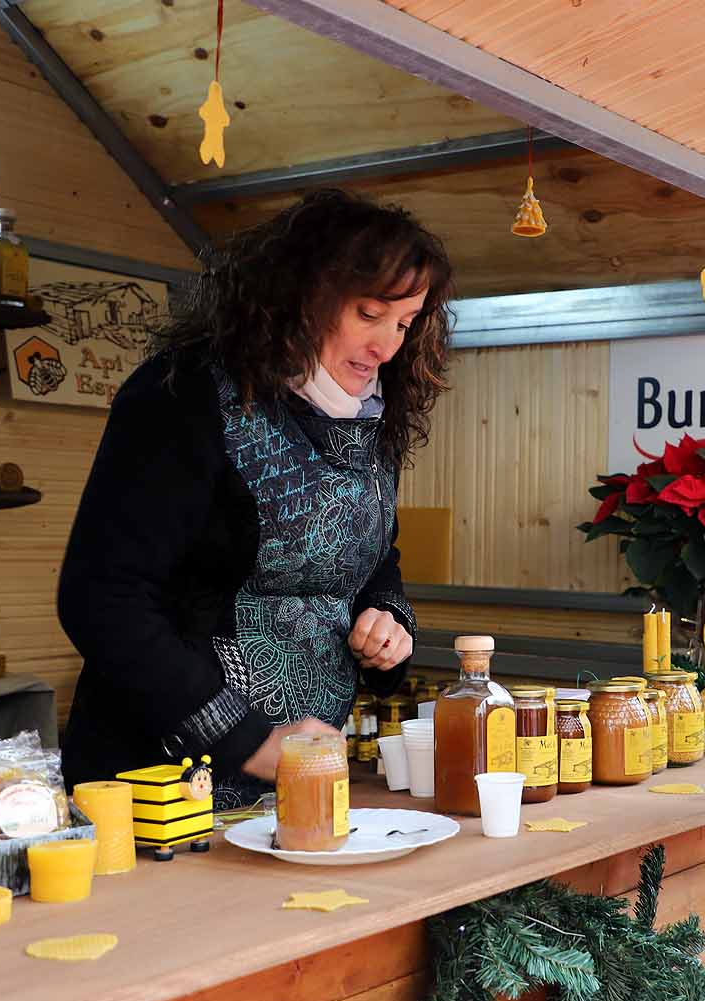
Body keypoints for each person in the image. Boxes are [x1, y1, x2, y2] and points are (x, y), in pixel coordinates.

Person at [57, 189, 455, 808]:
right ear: (303, 293)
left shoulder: (368, 418)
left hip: (302, 775)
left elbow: (374, 555)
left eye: (404, 324)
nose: (387, 346)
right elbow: (103, 600)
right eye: (369, 313)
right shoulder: (184, 395)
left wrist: (387, 621)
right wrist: (252, 743)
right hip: (163, 781)